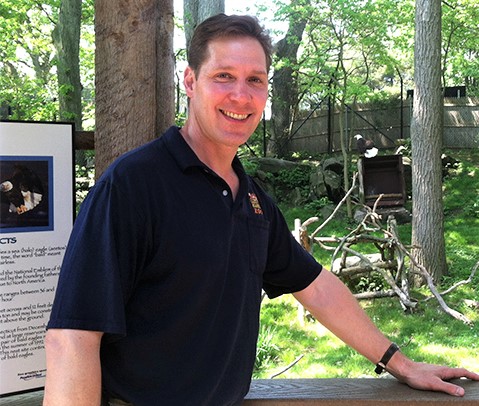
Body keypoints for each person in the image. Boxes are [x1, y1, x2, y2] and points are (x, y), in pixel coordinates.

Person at [43, 13, 479, 406]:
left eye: (255, 80)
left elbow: (317, 288)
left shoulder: (251, 201)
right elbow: (72, 336)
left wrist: (401, 363)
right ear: (190, 81)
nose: (241, 95)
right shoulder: (133, 185)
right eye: (224, 76)